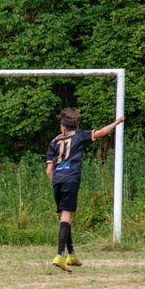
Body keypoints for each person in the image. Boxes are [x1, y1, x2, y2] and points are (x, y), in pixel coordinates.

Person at [46, 108, 124, 272]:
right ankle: (60, 256)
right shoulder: (80, 135)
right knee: (67, 216)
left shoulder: (54, 142)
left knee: (66, 217)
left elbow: (48, 170)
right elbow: (102, 132)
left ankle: (71, 255)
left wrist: (56, 181)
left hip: (58, 181)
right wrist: (116, 123)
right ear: (75, 125)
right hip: (71, 178)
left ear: (62, 127)